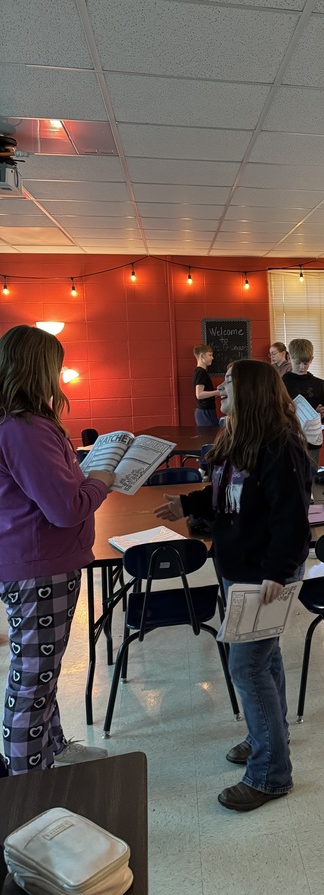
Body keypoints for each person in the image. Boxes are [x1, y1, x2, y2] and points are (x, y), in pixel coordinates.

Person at [155, 359, 313, 811]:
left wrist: (278, 574)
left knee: (246, 667)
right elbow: (226, 493)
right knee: (265, 658)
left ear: (252, 393)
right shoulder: (237, 438)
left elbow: (291, 518)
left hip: (265, 572)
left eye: (228, 385)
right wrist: (186, 503)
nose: (218, 391)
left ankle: (270, 774)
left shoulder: (281, 445)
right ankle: (270, 734)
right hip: (236, 567)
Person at [0, 325, 115, 774]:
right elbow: (66, 509)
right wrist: (101, 478)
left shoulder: (22, 422)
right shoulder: (24, 428)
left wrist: (82, 472)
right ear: (39, 367)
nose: (61, 375)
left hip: (36, 561)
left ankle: (55, 751)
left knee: (42, 673)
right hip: (38, 567)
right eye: (57, 365)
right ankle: (27, 785)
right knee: (32, 679)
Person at [282, 338, 324, 466]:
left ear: (312, 359)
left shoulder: (318, 384)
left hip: (312, 441)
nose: (302, 367)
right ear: (289, 358)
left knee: (312, 476)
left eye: (306, 362)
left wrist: (320, 415)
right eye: (298, 362)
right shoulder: (281, 383)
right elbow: (272, 413)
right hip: (288, 440)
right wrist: (286, 411)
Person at [193, 344, 219, 426]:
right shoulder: (201, 373)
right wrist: (216, 392)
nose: (212, 358)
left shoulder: (201, 372)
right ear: (202, 356)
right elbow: (199, 395)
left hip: (207, 411)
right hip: (205, 412)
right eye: (210, 355)